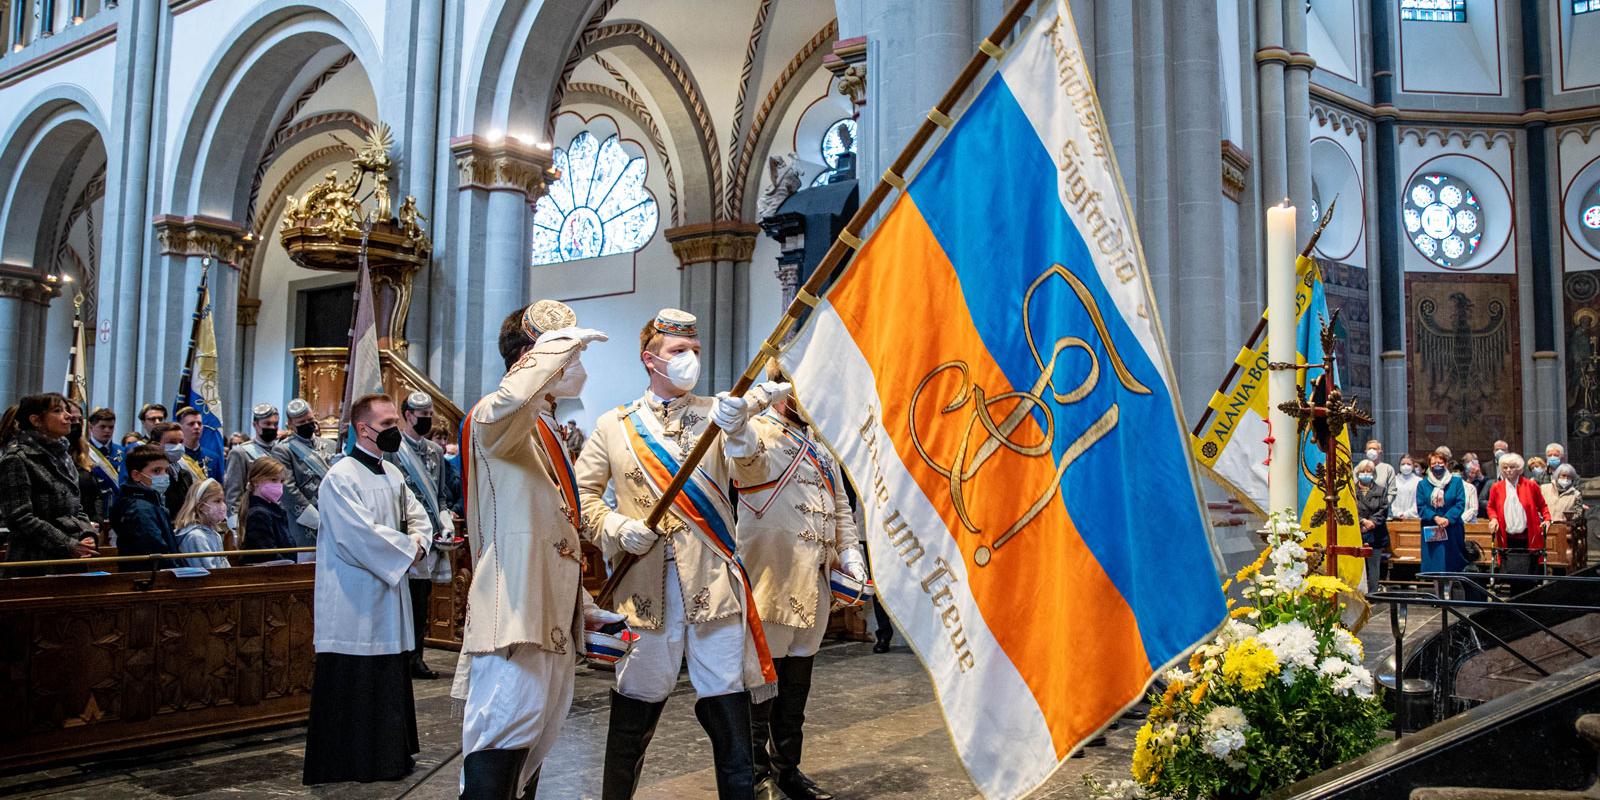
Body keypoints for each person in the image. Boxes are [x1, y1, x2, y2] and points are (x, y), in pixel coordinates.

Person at [574, 308, 777, 800]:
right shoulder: (613, 425)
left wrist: (742, 431)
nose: (690, 360)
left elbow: (755, 478)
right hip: (645, 592)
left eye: (695, 351)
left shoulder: (719, 412)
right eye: (677, 352)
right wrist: (617, 527)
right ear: (651, 359)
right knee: (634, 711)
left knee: (730, 712)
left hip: (713, 587)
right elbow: (578, 498)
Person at [453, 302, 621, 799]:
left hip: (548, 616)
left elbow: (557, 534)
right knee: (500, 746)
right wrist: (558, 346)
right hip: (513, 614)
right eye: (569, 355)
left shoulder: (546, 432)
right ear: (534, 359)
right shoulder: (495, 419)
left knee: (527, 755)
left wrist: (585, 609)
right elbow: (510, 399)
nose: (581, 368)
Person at [735, 368, 863, 800]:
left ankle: (787, 769)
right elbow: (738, 451)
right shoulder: (757, 431)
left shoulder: (822, 446)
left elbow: (841, 505)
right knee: (762, 685)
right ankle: (755, 776)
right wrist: (750, 403)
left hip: (816, 582)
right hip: (771, 577)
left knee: (796, 689)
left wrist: (851, 554)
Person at [302, 393, 433, 786]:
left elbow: (418, 515)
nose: (396, 429)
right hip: (353, 599)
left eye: (396, 421)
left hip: (389, 596)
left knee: (388, 675)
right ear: (363, 429)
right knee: (355, 680)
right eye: (389, 423)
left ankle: (389, 756)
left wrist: (420, 542)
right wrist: (408, 550)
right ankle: (352, 760)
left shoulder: (392, 473)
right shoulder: (339, 478)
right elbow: (357, 537)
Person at [392, 391, 457, 680]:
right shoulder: (395, 450)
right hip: (404, 536)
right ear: (408, 415)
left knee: (420, 601)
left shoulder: (434, 451)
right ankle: (398, 657)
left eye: (430, 415)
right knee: (399, 601)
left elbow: (441, 495)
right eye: (422, 417)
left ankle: (416, 657)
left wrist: (444, 519)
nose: (427, 421)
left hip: (429, 539)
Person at [0, 393, 99, 574]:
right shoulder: (18, 458)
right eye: (58, 411)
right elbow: (19, 517)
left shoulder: (63, 456)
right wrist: (67, 543)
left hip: (70, 558)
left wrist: (87, 533)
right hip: (35, 560)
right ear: (36, 420)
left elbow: (76, 507)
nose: (69, 416)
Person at [273, 399, 338, 549]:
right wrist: (316, 520)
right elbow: (287, 489)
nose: (308, 424)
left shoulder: (331, 445)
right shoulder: (284, 450)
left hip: (334, 516)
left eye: (310, 420)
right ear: (291, 424)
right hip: (305, 522)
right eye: (301, 422)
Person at [110, 444, 179, 571]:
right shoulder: (139, 508)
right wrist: (177, 570)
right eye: (157, 471)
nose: (164, 476)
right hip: (148, 578)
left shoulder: (151, 501)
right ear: (136, 475)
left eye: (166, 470)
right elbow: (155, 548)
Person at [1485, 453, 1550, 569]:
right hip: (1506, 536)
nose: (1508, 470)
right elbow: (1491, 507)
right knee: (1510, 569)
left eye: (1512, 467)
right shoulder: (1496, 487)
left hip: (1528, 536)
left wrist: (1547, 520)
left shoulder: (1531, 485)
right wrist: (1493, 518)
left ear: (1519, 469)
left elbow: (1542, 506)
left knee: (1528, 569)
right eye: (1505, 467)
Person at [224, 403, 281, 526]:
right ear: (255, 425)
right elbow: (234, 493)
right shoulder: (240, 453)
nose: (272, 427)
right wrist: (235, 524)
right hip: (253, 517)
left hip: (279, 516)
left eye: (275, 424)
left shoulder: (282, 451)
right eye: (267, 424)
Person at [1418, 450, 1468, 576]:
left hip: (1452, 527)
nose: (1437, 465)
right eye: (1434, 463)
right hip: (1432, 527)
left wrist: (1447, 518)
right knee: (1435, 565)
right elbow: (1421, 507)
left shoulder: (1456, 482)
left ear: (1446, 464)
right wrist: (1435, 517)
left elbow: (1460, 503)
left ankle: (1450, 592)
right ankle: (1437, 593)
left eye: (1440, 462)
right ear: (1429, 465)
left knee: (1453, 563)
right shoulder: (1422, 484)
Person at [238, 457, 294, 564]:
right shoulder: (258, 514)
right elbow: (268, 554)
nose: (279, 485)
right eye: (273, 480)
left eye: (281, 481)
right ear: (255, 481)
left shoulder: (275, 510)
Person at [174, 478, 231, 569]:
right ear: (201, 506)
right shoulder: (196, 537)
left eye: (223, 501)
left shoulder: (213, 533)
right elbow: (210, 574)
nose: (223, 506)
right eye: (217, 501)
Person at [1354, 459, 1390, 594]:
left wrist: (1372, 523)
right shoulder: (1352, 490)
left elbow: (1384, 510)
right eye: (1363, 471)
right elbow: (1349, 510)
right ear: (1358, 473)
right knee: (1359, 565)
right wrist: (1362, 521)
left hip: (1376, 533)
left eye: (1368, 471)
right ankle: (1359, 593)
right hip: (1358, 532)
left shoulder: (1381, 490)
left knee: (1374, 565)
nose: (1365, 474)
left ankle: (1373, 592)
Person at [149, 422, 194, 520]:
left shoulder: (185, 475)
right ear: (156, 445)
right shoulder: (149, 473)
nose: (178, 446)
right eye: (172, 442)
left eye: (181, 442)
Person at [84, 406, 124, 509]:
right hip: (92, 507)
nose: (107, 431)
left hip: (118, 506)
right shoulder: (83, 452)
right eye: (102, 426)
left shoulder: (122, 452)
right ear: (91, 427)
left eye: (111, 427)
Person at [175, 406, 223, 481]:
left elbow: (219, 486)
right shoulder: (175, 457)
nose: (197, 427)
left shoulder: (213, 457)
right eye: (191, 424)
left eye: (199, 423)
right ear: (180, 428)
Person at [1390, 454, 1421, 520]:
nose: (1405, 466)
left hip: (1414, 519)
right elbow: (1390, 499)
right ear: (1399, 466)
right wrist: (1397, 513)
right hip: (1395, 518)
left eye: (1408, 464)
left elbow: (1420, 501)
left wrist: (1407, 514)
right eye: (1403, 464)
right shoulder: (1393, 481)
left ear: (1413, 466)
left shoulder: (1419, 481)